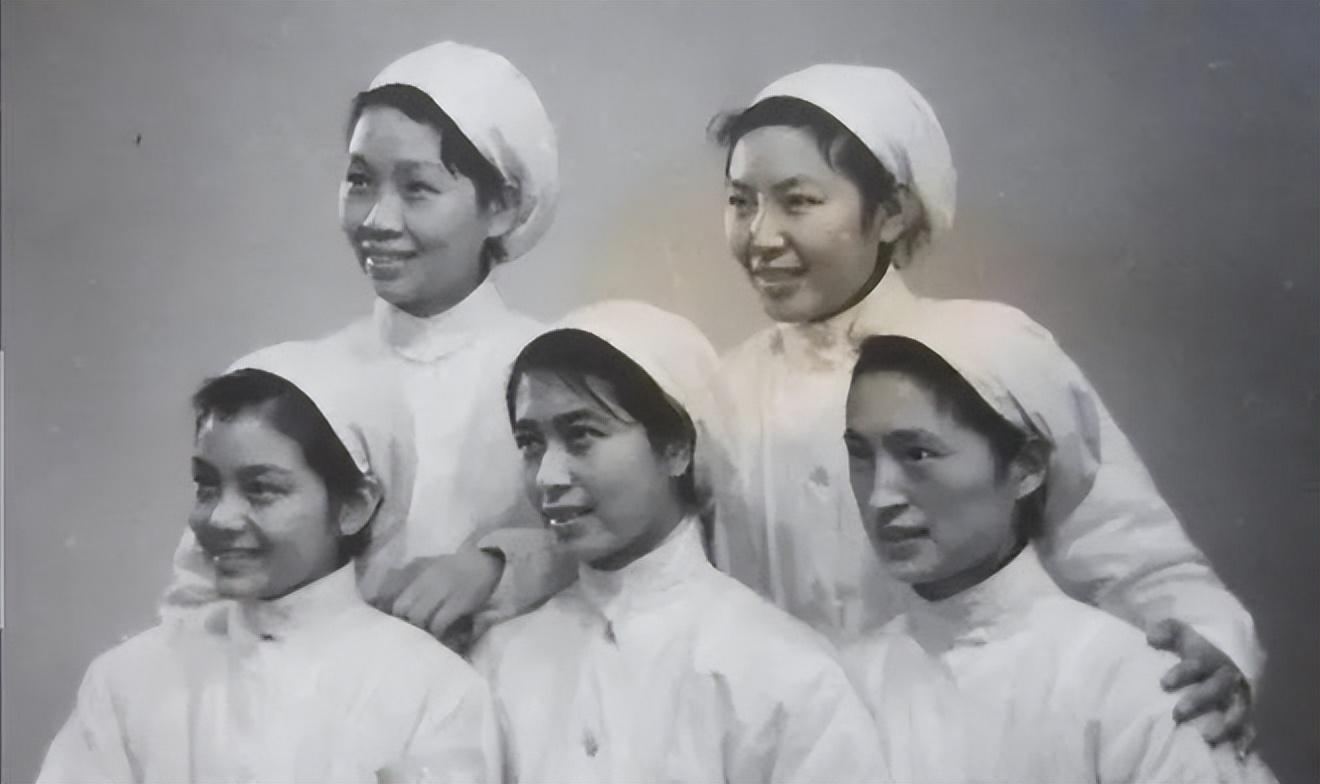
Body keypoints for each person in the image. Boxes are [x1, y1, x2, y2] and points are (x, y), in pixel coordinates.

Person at [710, 63, 1262, 747]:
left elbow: (1130, 553)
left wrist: (1209, 645)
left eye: (798, 202)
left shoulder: (989, 356)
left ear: (892, 212)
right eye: (740, 202)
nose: (761, 236)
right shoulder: (716, 394)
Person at [167, 40, 566, 646]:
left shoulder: (556, 374)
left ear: (503, 206)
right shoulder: (298, 383)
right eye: (359, 181)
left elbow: (618, 555)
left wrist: (500, 564)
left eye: (417, 188)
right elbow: (197, 595)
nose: (377, 219)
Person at [840, 316, 1276, 782]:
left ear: (1027, 467)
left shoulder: (1130, 686)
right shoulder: (844, 686)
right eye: (861, 455)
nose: (880, 496)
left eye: (917, 454)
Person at [39, 343, 500, 783]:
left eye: (261, 489)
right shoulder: (130, 680)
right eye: (207, 486)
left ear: (354, 506)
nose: (220, 517)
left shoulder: (430, 690)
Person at [471, 301, 886, 783]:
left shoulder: (782, 671)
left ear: (676, 448)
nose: (548, 476)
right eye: (531, 443)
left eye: (581, 436)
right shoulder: (502, 663)